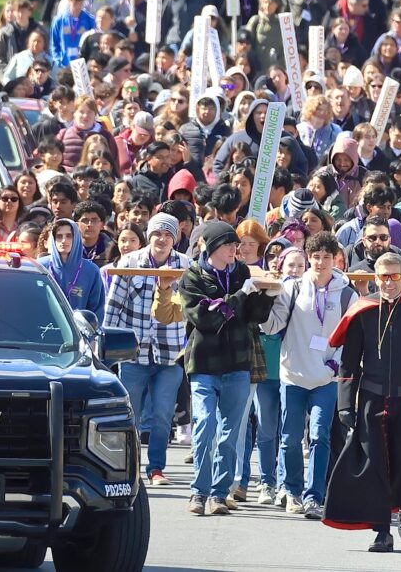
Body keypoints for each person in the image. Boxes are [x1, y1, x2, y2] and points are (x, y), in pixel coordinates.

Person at [323, 252, 401, 553]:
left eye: (394, 276)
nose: (388, 283)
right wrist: (344, 404)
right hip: (371, 397)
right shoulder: (363, 310)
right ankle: (382, 532)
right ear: (375, 278)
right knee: (375, 464)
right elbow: (349, 363)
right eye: (383, 277)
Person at [179, 221, 280, 516]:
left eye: (235, 245)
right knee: (205, 424)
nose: (235, 250)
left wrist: (267, 297)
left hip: (237, 363)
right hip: (204, 364)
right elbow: (207, 319)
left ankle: (219, 494)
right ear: (211, 248)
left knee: (229, 432)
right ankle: (198, 492)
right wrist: (239, 296)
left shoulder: (242, 272)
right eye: (228, 245)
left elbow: (251, 317)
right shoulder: (192, 277)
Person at [261, 231, 358, 518]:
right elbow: (272, 326)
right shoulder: (291, 288)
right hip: (292, 374)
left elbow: (351, 337)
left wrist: (335, 364)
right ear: (308, 258)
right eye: (315, 257)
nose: (320, 262)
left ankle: (314, 496)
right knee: (290, 438)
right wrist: (261, 305)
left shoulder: (347, 293)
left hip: (326, 378)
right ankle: (291, 490)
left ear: (335, 259)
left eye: (326, 257)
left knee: (319, 436)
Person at [104, 213, 191, 486]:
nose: (161, 239)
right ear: (148, 236)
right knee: (130, 414)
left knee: (163, 415)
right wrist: (106, 349)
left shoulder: (186, 266)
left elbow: (190, 310)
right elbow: (113, 309)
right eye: (157, 233)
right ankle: (128, 468)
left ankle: (156, 468)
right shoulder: (130, 263)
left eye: (167, 234)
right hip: (134, 352)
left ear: (174, 239)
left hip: (170, 353)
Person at [38, 218, 106, 320]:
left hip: (78, 331)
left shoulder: (91, 271)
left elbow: (96, 310)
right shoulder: (40, 267)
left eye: (69, 236)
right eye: (59, 236)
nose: (64, 241)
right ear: (53, 239)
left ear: (77, 238)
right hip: (44, 328)